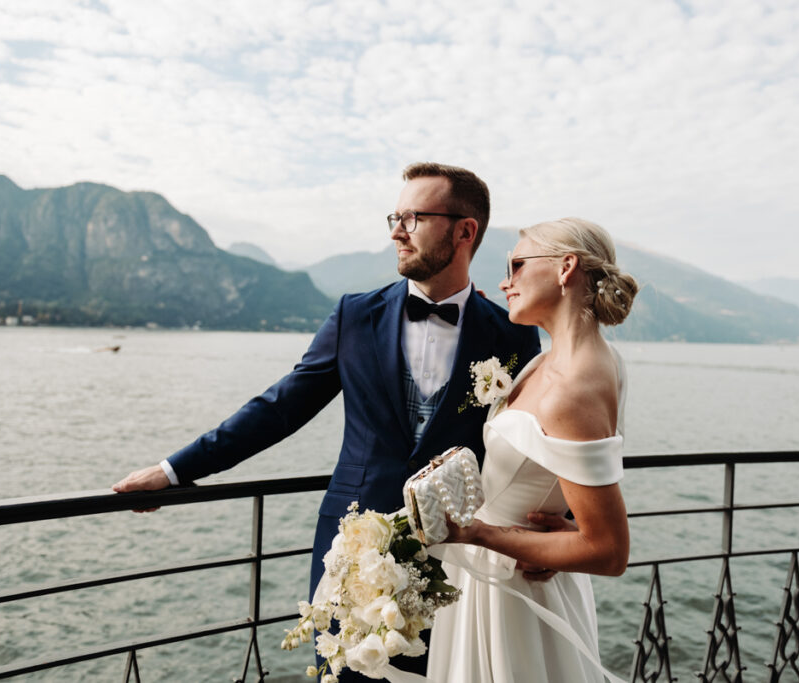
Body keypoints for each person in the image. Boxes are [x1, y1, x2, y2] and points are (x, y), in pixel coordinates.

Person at [112, 162, 541, 680]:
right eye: (394, 216)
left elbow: (529, 443)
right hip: (352, 552)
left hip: (460, 559)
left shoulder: (513, 334)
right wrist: (174, 470)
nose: (395, 231)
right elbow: (280, 408)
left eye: (413, 217)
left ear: (464, 230)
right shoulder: (354, 317)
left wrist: (554, 529)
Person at [426, 217, 638, 683]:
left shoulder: (571, 387)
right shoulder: (556, 360)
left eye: (517, 265)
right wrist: (561, 534)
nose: (506, 281)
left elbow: (609, 551)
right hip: (509, 571)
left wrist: (479, 535)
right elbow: (568, 481)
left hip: (513, 591)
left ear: (566, 268)